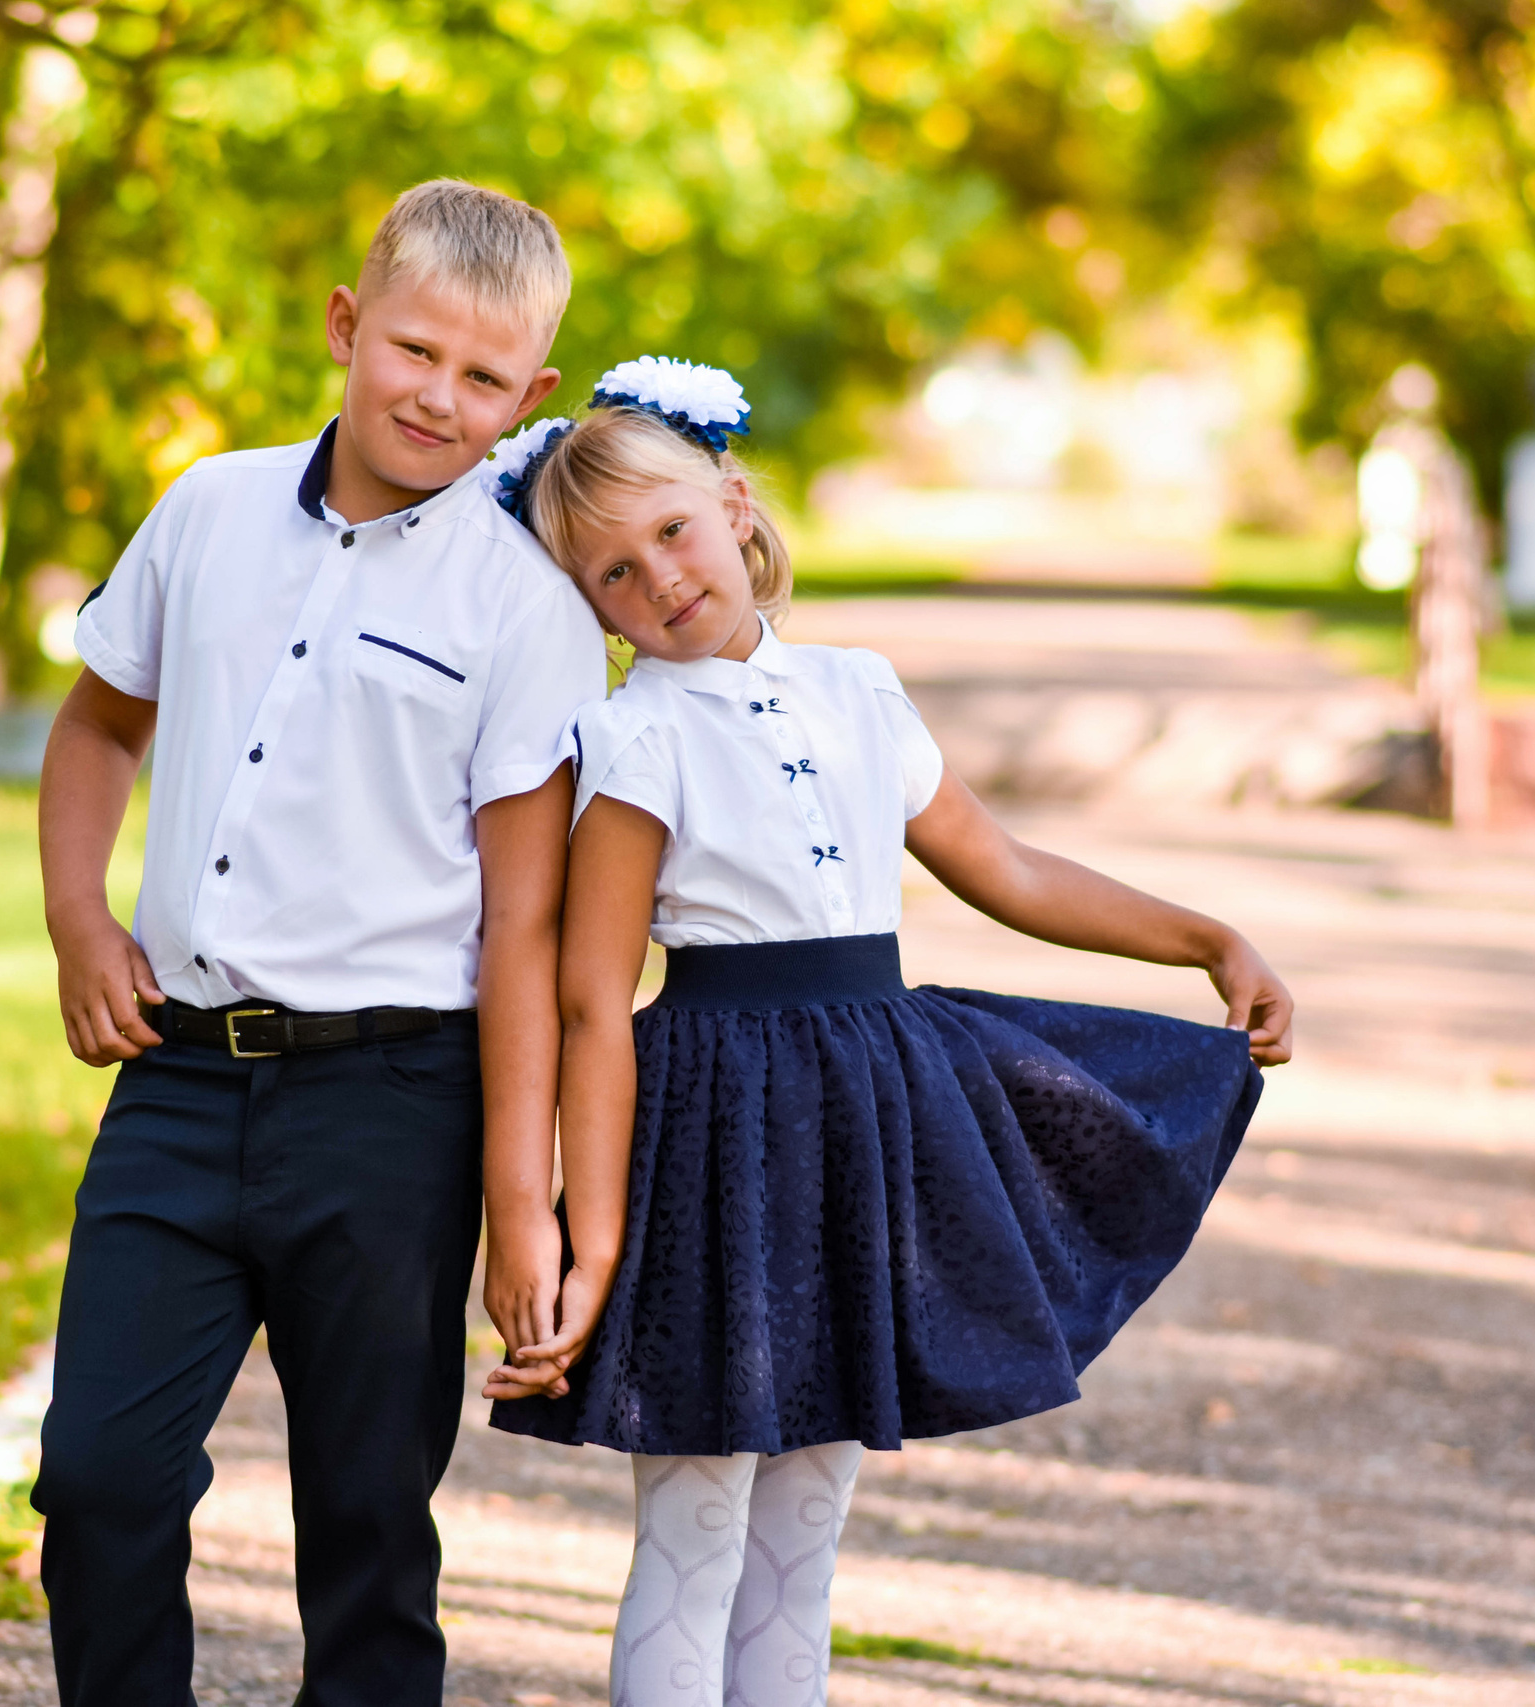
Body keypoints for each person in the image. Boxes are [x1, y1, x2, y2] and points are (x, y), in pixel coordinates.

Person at [479, 359, 1292, 1706]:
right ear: (588, 609)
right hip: (715, 1143)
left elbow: (1011, 870)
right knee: (693, 1531)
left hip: (864, 1124)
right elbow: (589, 1000)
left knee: (805, 1536)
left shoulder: (860, 691)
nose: (660, 580)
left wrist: (1207, 937)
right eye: (613, 575)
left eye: (672, 533)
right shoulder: (632, 741)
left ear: (735, 506)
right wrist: (593, 1230)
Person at [30, 180, 604, 1707]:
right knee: (99, 1483)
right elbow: (99, 722)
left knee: (362, 1522)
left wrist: (517, 1197)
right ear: (349, 327)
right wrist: (81, 916)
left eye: (485, 379)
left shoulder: (525, 607)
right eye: (415, 350)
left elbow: (526, 924)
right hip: (180, 1081)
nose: (439, 395)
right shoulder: (207, 508)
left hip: (393, 1107)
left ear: (531, 396)